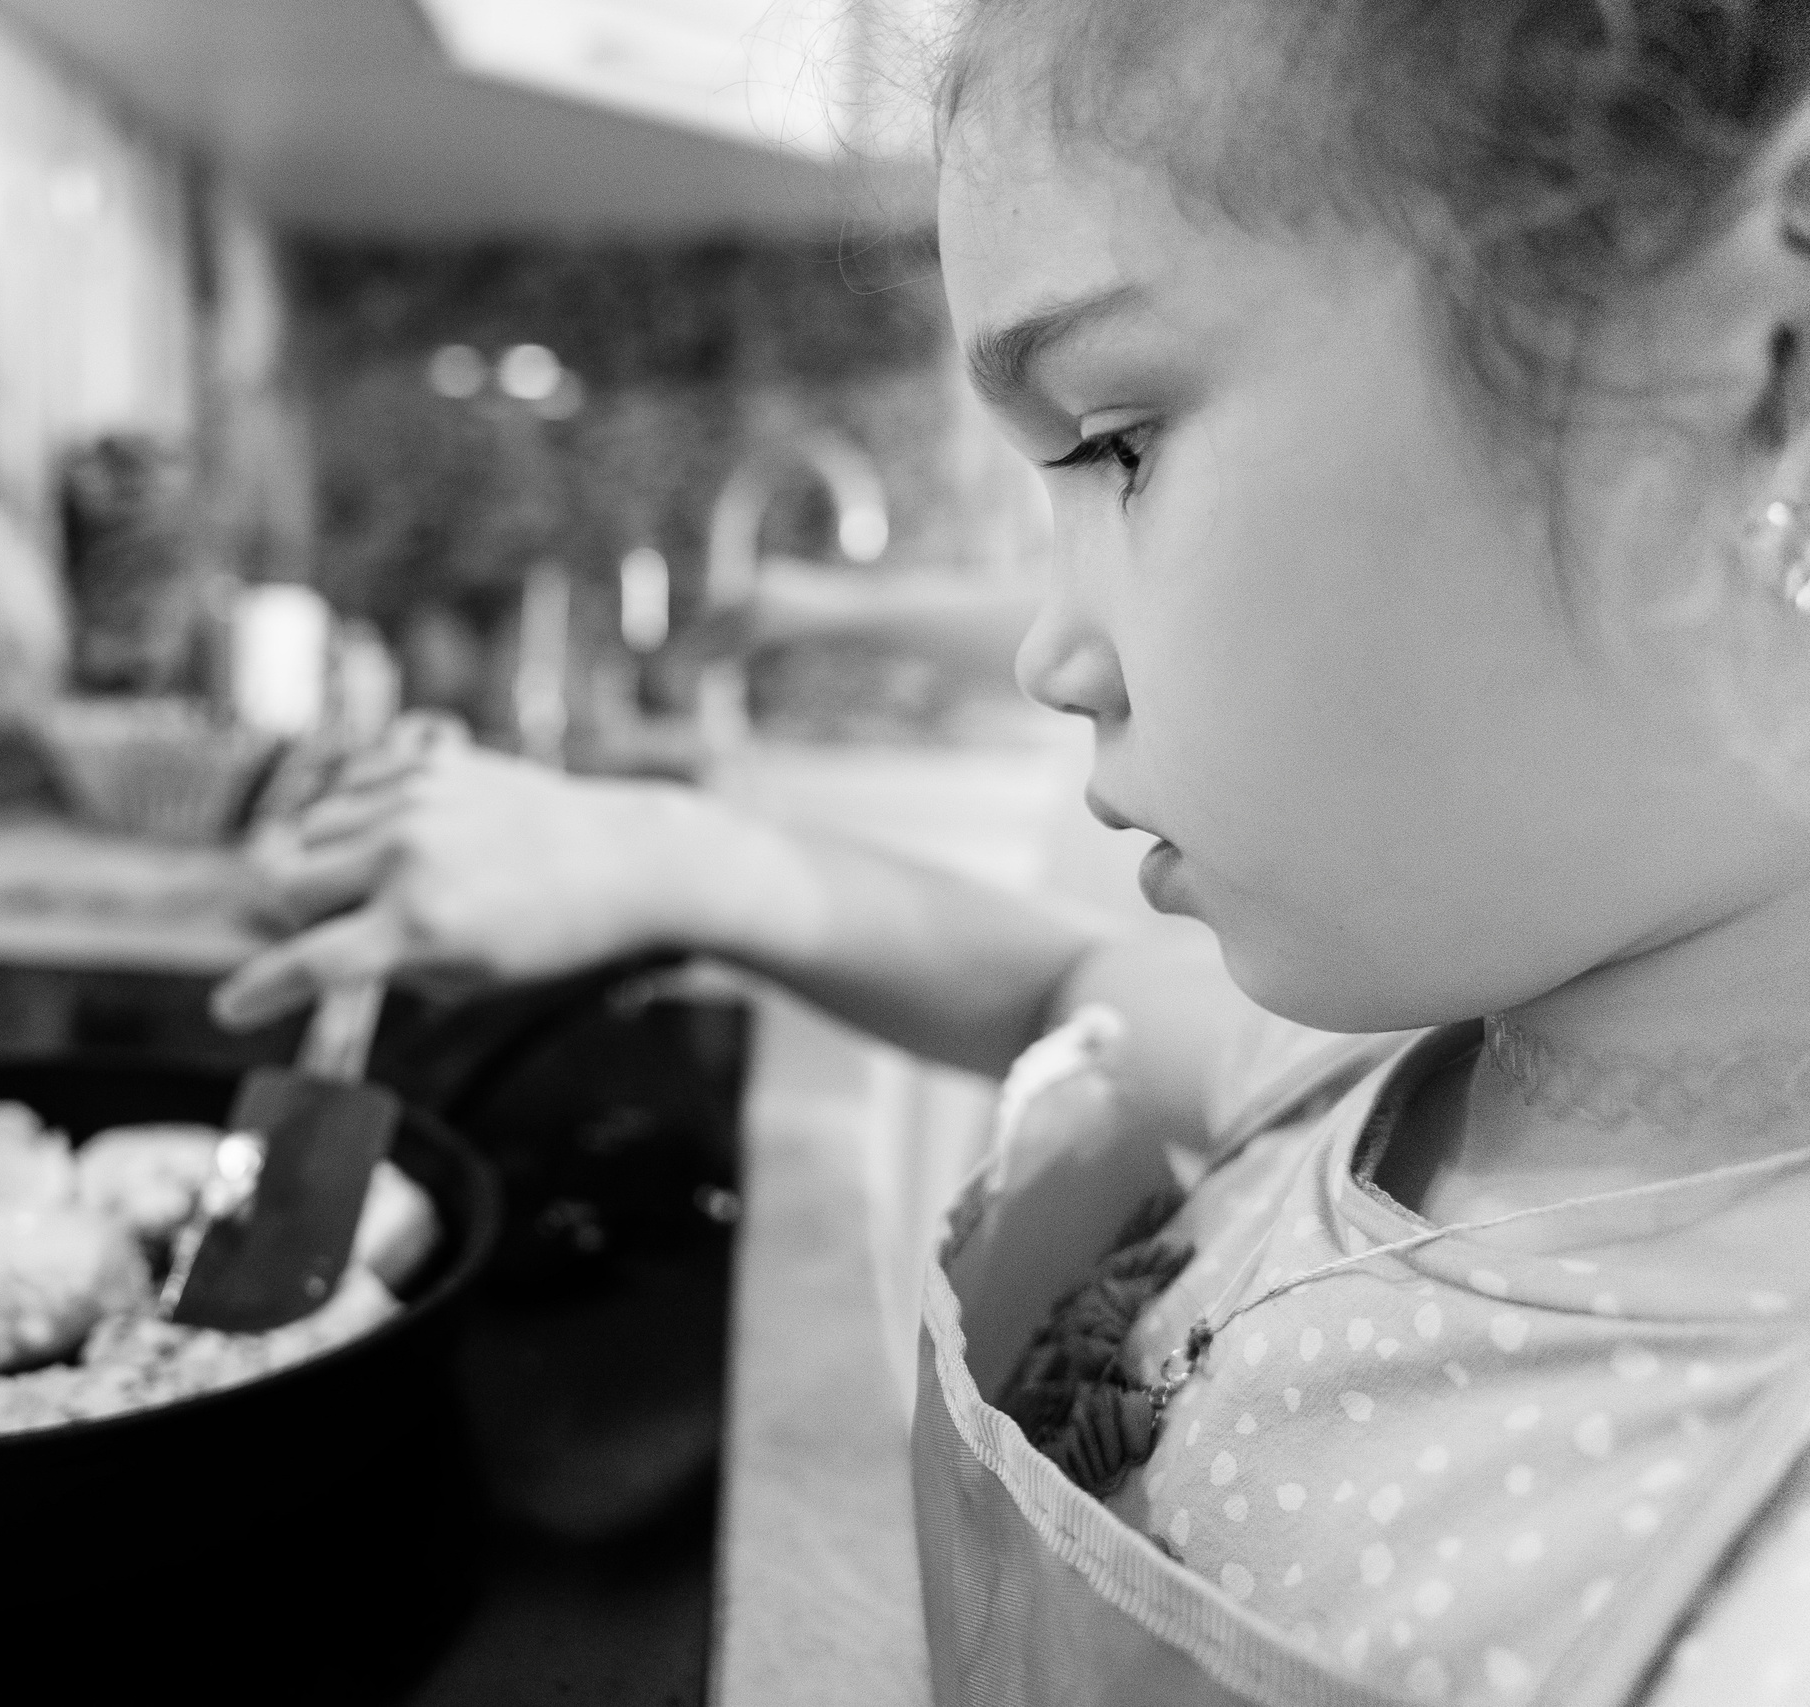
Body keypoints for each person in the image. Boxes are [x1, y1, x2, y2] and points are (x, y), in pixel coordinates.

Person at [215, 4, 1810, 1702]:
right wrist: (666, 857)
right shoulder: (1408, 1088)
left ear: (1769, 368)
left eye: (1118, 440)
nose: (1053, 650)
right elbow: (1065, 986)